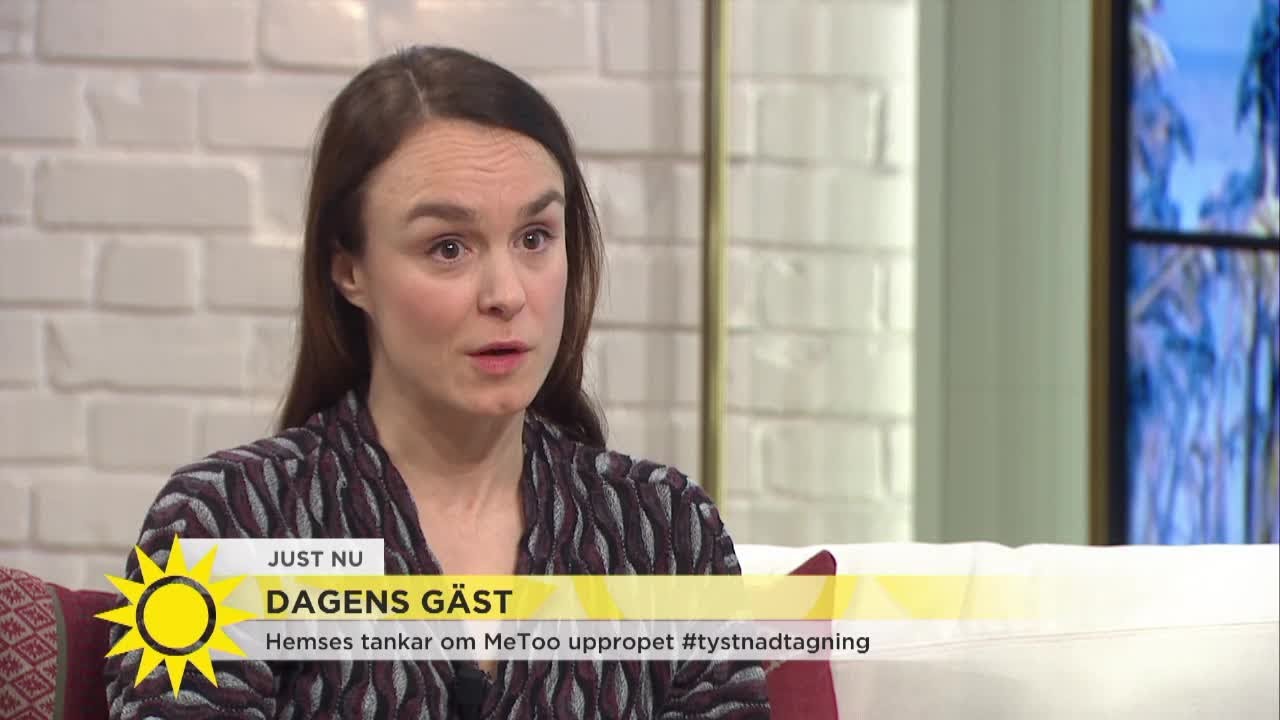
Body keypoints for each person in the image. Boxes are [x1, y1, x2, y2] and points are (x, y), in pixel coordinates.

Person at [103, 45, 771, 719]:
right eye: (448, 248)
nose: (507, 293)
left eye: (535, 238)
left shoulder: (666, 532)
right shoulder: (227, 526)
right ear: (350, 271)